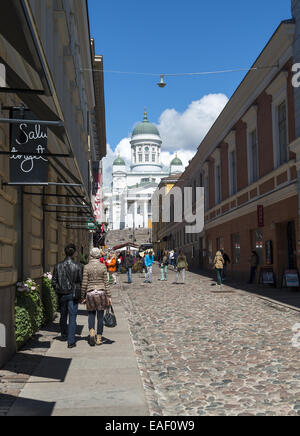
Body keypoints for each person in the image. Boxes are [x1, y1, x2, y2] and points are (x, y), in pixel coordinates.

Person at [52, 244, 83, 348]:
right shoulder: (78, 266)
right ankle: (71, 341)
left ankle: (64, 335)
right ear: (74, 253)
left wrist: (58, 290)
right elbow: (80, 281)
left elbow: (54, 281)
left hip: (62, 294)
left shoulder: (58, 265)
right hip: (73, 294)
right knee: (72, 317)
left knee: (63, 315)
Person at [81, 248, 112, 346]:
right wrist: (109, 296)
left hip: (90, 293)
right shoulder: (103, 267)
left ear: (91, 255)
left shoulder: (86, 267)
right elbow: (106, 283)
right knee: (100, 316)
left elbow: (84, 282)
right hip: (101, 292)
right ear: (99, 255)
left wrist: (82, 295)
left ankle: (91, 332)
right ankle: (99, 338)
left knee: (91, 315)